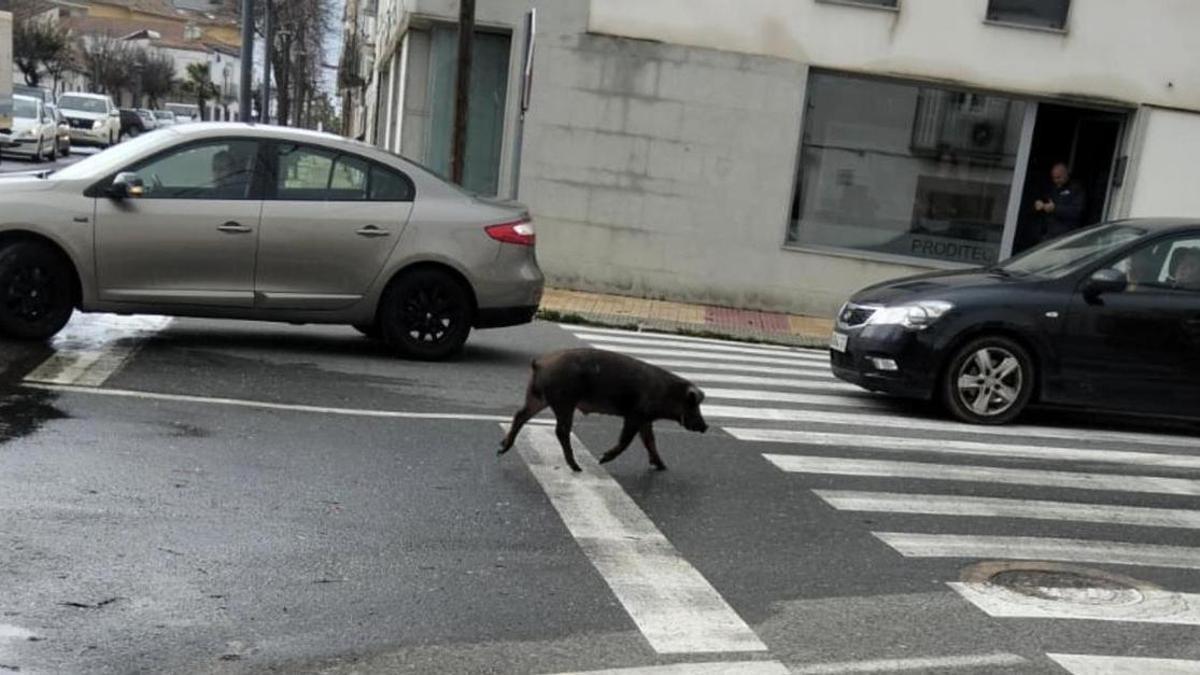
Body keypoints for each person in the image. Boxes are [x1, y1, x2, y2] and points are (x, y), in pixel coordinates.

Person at [1033, 162, 1085, 241]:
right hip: (1048, 234)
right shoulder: (1051, 188)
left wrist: (1055, 208)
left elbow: (1077, 211)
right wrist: (1039, 204)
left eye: (1058, 178)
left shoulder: (1076, 188)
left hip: (1066, 234)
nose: (1056, 180)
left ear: (1066, 174)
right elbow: (1043, 201)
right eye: (1054, 178)